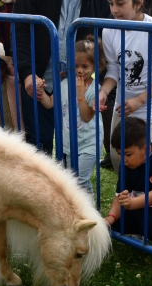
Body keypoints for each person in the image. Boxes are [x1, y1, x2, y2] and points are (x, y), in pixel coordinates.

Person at [12, 0, 112, 156]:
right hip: (39, 83)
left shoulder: (100, 4)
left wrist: (102, 89)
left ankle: (68, 179)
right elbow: (20, 31)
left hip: (76, 89)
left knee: (72, 151)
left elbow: (106, 40)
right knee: (38, 147)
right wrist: (27, 73)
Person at [97, 0, 152, 174]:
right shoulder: (109, 29)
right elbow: (113, 69)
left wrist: (140, 100)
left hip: (150, 106)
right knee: (117, 155)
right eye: (110, 4)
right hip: (122, 106)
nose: (114, 10)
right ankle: (125, 194)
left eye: (120, 4)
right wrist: (104, 91)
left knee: (136, 159)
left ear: (138, 3)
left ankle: (138, 198)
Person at [38, 36, 106, 195]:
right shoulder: (64, 84)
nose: (80, 70)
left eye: (85, 66)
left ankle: (90, 214)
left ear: (96, 65)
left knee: (81, 181)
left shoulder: (95, 89)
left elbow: (87, 116)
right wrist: (40, 90)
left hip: (89, 144)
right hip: (69, 143)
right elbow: (49, 103)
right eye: (75, 66)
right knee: (69, 181)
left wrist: (81, 93)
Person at [105, 117, 152, 247]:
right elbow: (120, 197)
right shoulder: (126, 163)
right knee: (116, 225)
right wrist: (110, 218)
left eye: (128, 154)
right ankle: (140, 229)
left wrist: (131, 203)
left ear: (145, 149)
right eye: (119, 153)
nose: (123, 159)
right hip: (140, 202)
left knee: (150, 226)